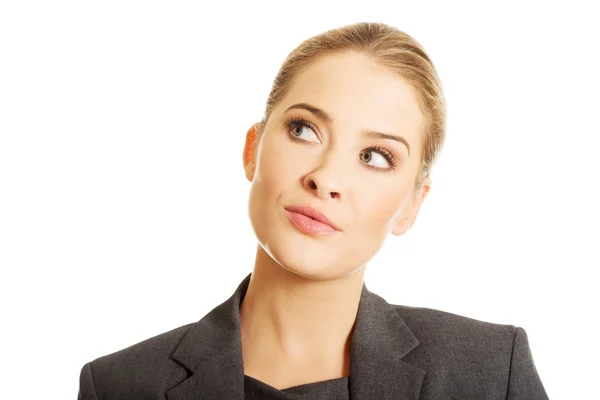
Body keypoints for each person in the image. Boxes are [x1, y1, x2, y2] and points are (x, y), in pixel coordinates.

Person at [77, 22, 548, 399]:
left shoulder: (489, 373)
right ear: (252, 149)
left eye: (375, 157)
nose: (325, 177)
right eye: (304, 130)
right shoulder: (119, 385)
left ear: (411, 205)